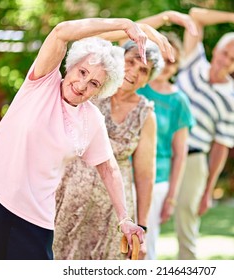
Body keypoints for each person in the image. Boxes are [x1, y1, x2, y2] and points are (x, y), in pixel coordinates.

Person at [0, 17, 156, 260]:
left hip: (35, 219)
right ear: (71, 66)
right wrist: (123, 24)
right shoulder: (42, 82)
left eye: (94, 83)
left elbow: (109, 168)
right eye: (82, 72)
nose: (83, 84)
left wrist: (125, 218)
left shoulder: (91, 119)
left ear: (100, 90)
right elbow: (61, 32)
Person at [52, 39, 164, 260]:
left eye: (143, 70)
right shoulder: (90, 90)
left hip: (112, 213)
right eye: (131, 61)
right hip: (64, 199)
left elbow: (144, 176)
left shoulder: (145, 115)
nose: (133, 71)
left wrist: (142, 226)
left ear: (146, 81)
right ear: (118, 59)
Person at [174, 7, 234, 259]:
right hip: (160, 150)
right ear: (216, 50)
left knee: (186, 225)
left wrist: (208, 190)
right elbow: (194, 16)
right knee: (145, 217)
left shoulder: (232, 101)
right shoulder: (192, 60)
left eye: (233, 59)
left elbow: (221, 147)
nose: (225, 60)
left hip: (193, 159)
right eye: (224, 53)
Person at [136, 32, 196, 260]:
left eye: (174, 60)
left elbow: (180, 154)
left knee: (144, 247)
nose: (169, 64)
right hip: (123, 175)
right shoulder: (137, 87)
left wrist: (171, 197)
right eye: (165, 57)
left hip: (157, 181)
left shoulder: (179, 101)